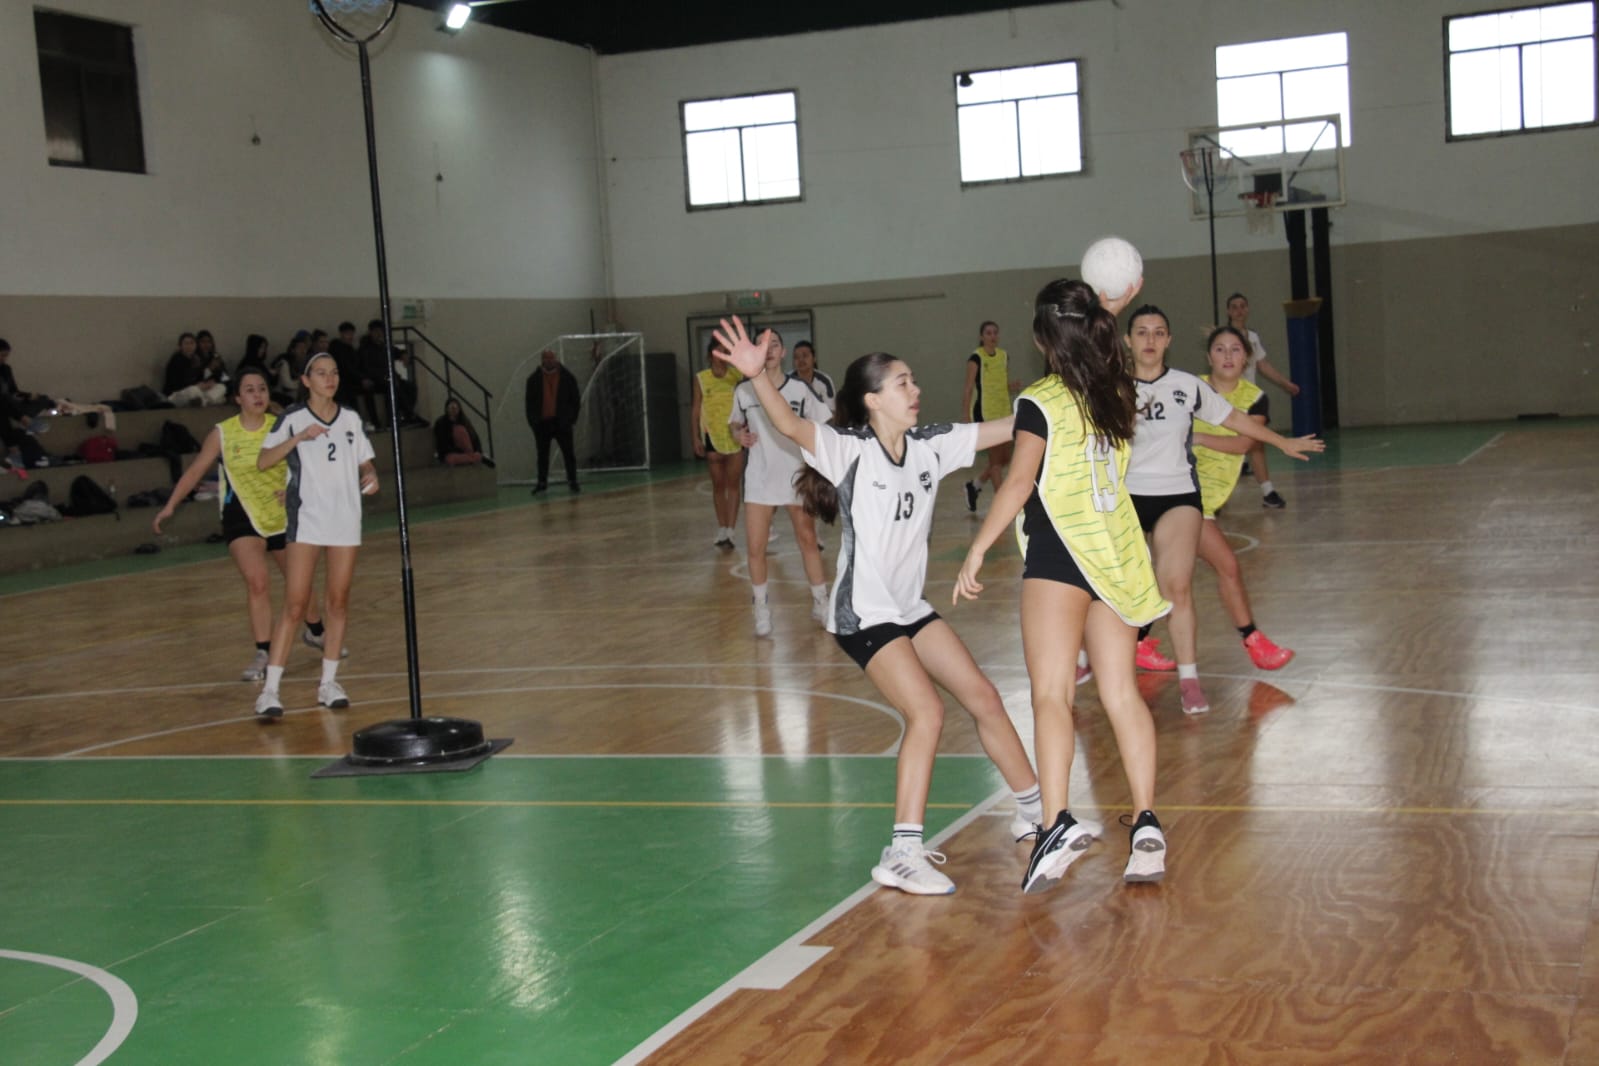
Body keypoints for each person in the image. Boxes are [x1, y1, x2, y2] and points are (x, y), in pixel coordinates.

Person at [714, 320, 1046, 894]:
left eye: (913, 381)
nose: (916, 390)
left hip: (909, 606)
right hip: (864, 614)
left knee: (984, 698)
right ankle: (902, 853)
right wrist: (757, 376)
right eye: (902, 383)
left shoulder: (931, 444)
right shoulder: (849, 450)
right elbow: (790, 423)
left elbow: (1011, 424)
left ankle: (1037, 814)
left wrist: (1064, 395)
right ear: (872, 400)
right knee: (927, 713)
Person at [956, 278, 1173, 891]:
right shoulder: (1117, 389)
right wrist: (1112, 303)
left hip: (1061, 553)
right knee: (1121, 695)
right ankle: (1148, 827)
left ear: (1039, 338)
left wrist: (978, 546)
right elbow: (1100, 340)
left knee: (1052, 695)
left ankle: (1055, 823)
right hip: (1118, 556)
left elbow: (1019, 481)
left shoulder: (1040, 400)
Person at [1122, 306, 1323, 714]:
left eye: (1158, 332)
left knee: (1177, 585)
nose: (1150, 339)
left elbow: (1235, 420)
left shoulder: (1186, 386)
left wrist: (1282, 442)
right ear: (1128, 341)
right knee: (1121, 590)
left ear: (1169, 340)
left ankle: (1190, 680)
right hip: (1126, 498)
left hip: (1177, 497)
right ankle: (1103, 656)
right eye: (1141, 332)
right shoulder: (1112, 389)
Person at [152, 367, 341, 681]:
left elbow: (314, 466)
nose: (258, 395)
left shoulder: (283, 426)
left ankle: (316, 632)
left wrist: (295, 489)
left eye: (262, 389)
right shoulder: (223, 433)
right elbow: (196, 471)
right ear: (238, 398)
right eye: (250, 390)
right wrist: (170, 506)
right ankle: (264, 652)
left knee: (299, 584)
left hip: (281, 515)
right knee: (257, 582)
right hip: (241, 513)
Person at [251, 352, 377, 718]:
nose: (330, 378)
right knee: (295, 604)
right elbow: (264, 460)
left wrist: (370, 474)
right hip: (306, 519)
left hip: (345, 519)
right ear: (306, 381)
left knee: (338, 602)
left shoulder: (350, 418)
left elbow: (364, 461)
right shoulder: (292, 418)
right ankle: (270, 691)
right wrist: (299, 438)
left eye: (334, 372)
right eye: (321, 373)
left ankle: (329, 683)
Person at [1191, 325, 1307, 672]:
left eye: (1235, 349)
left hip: (1208, 498)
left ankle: (1133, 642)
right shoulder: (1189, 389)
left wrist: (1198, 437)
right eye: (1220, 349)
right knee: (1224, 566)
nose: (1228, 356)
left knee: (1172, 576)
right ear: (1209, 356)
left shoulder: (1255, 398)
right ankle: (1254, 641)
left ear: (1247, 358)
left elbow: (1243, 443)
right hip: (1180, 492)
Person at [729, 329, 829, 636]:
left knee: (808, 540)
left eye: (774, 344)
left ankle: (821, 602)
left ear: (783, 352)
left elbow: (824, 422)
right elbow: (734, 423)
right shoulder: (744, 390)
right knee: (755, 548)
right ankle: (761, 607)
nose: (769, 349)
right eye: (762, 344)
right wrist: (738, 434)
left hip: (796, 477)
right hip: (759, 478)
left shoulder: (799, 389)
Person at [1224, 293, 1300, 509]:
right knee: (1222, 448)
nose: (1239, 310)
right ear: (1228, 312)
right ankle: (1215, 496)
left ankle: (1268, 492)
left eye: (1242, 306)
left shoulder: (1253, 337)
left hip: (1249, 400)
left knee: (1256, 443)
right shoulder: (1225, 337)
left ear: (1247, 309)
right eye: (1234, 307)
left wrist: (1285, 384)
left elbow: (1263, 365)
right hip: (1229, 399)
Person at [960, 320, 1020, 514]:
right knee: (995, 462)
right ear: (981, 337)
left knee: (1005, 459)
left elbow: (999, 382)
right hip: (985, 414)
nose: (992, 336)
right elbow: (969, 388)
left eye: (995, 332)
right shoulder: (976, 358)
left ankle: (975, 485)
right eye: (988, 333)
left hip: (1004, 411)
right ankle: (1003, 506)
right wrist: (966, 417)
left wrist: (1010, 386)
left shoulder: (1003, 356)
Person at [690, 338, 744, 548]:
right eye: (720, 351)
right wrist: (695, 436)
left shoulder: (737, 376)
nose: (723, 356)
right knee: (718, 485)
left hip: (735, 435)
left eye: (727, 352)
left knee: (734, 485)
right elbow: (696, 408)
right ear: (711, 354)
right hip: (712, 436)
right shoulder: (701, 378)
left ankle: (731, 530)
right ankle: (722, 528)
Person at [524, 348, 582, 494]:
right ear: (542, 360)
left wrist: (571, 419)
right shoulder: (533, 380)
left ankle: (573, 481)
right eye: (546, 358)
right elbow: (529, 404)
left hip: (562, 422)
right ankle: (542, 482)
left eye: (551, 358)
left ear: (555, 359)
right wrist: (534, 422)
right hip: (542, 423)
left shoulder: (567, 377)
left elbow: (575, 399)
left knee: (568, 453)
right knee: (542, 455)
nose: (549, 361)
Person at [433, 398, 491, 467]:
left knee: (460, 429)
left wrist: (478, 450)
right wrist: (458, 451)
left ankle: (473, 457)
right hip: (451, 452)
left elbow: (475, 437)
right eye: (451, 408)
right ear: (447, 409)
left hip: (467, 451)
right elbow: (442, 443)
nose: (454, 410)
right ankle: (477, 458)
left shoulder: (464, 421)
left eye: (455, 408)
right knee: (451, 459)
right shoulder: (441, 423)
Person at [790, 340, 835, 413]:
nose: (801, 360)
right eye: (796, 357)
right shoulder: (787, 380)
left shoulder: (824, 381)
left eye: (805, 355)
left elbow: (831, 412)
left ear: (814, 359)